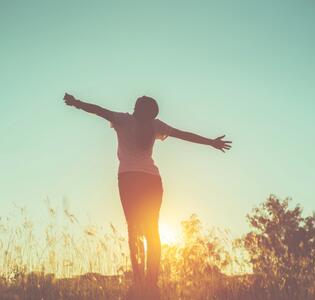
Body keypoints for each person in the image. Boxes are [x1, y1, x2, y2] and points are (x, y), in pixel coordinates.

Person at [63, 93, 232, 299]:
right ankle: (150, 283)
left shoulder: (125, 120)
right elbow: (184, 134)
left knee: (135, 230)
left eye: (138, 105)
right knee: (151, 231)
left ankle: (142, 283)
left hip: (129, 179)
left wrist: (76, 103)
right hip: (151, 180)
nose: (134, 107)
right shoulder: (154, 124)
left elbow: (98, 110)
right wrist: (210, 142)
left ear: (142, 109)